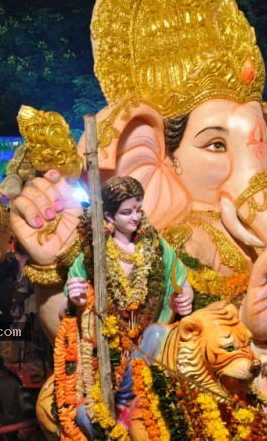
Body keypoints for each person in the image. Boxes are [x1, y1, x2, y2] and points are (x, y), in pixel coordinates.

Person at [64, 176, 193, 430]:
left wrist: (184, 297)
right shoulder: (93, 252)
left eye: (138, 209)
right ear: (109, 217)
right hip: (105, 350)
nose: (135, 217)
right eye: (126, 212)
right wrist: (77, 297)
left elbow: (180, 278)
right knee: (84, 416)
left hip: (149, 345)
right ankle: (117, 409)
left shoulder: (155, 245)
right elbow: (73, 294)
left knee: (157, 333)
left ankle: (123, 402)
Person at [0, 355, 22, 434]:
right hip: (16, 421)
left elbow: (8, 408)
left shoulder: (2, 384)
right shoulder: (13, 380)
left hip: (9, 424)